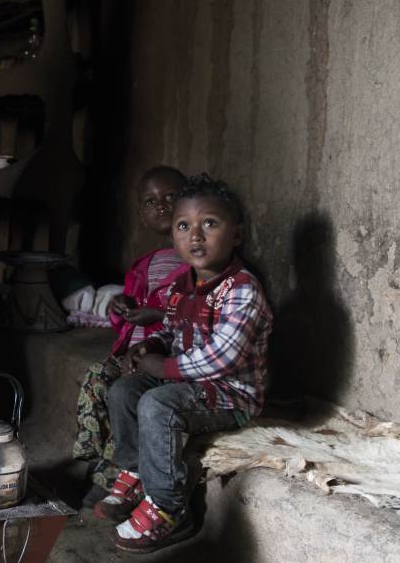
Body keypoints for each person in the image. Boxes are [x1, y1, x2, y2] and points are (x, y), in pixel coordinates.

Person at [93, 174, 273, 554]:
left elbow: (221, 357)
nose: (196, 236)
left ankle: (170, 508)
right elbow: (174, 333)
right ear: (173, 236)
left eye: (210, 223)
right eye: (183, 226)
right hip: (194, 385)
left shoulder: (243, 289)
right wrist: (151, 348)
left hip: (231, 396)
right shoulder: (181, 288)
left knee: (157, 404)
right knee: (125, 389)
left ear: (236, 235)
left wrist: (161, 368)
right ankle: (137, 470)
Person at [73, 166, 189, 498]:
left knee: (124, 392)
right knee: (96, 378)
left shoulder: (197, 262)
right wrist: (119, 308)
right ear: (141, 214)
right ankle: (97, 463)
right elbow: (129, 321)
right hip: (132, 353)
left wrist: (157, 318)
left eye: (171, 197)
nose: (162, 206)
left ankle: (118, 476)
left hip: (163, 359)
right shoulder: (145, 264)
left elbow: (196, 316)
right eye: (151, 201)